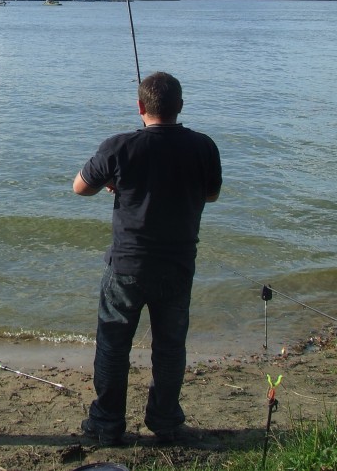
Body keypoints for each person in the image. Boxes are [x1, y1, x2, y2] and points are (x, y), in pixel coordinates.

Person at [73, 71, 222, 446]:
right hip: (177, 265)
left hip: (127, 267)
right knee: (170, 347)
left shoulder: (119, 146)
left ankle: (107, 424)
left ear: (140, 107)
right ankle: (166, 422)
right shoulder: (204, 146)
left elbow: (80, 188)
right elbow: (211, 196)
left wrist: (116, 181)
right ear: (180, 106)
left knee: (112, 345)